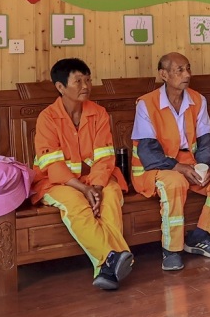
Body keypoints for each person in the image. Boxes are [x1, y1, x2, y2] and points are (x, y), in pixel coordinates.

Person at [30, 58, 133, 291]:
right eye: (78, 81)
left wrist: (95, 187)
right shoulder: (47, 118)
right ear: (60, 87)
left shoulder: (99, 113)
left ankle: (106, 269)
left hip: (95, 179)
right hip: (56, 182)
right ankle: (114, 256)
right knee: (76, 205)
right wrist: (84, 189)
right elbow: (52, 165)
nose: (85, 85)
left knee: (112, 196)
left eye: (88, 79)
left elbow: (105, 157)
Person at [131, 52, 210, 271]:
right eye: (180, 70)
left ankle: (199, 236)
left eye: (188, 68)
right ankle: (171, 249)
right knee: (175, 183)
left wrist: (205, 166)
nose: (187, 74)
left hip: (190, 164)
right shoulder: (146, 103)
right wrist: (178, 167)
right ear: (163, 74)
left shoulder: (198, 100)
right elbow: (147, 151)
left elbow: (206, 141)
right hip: (154, 169)